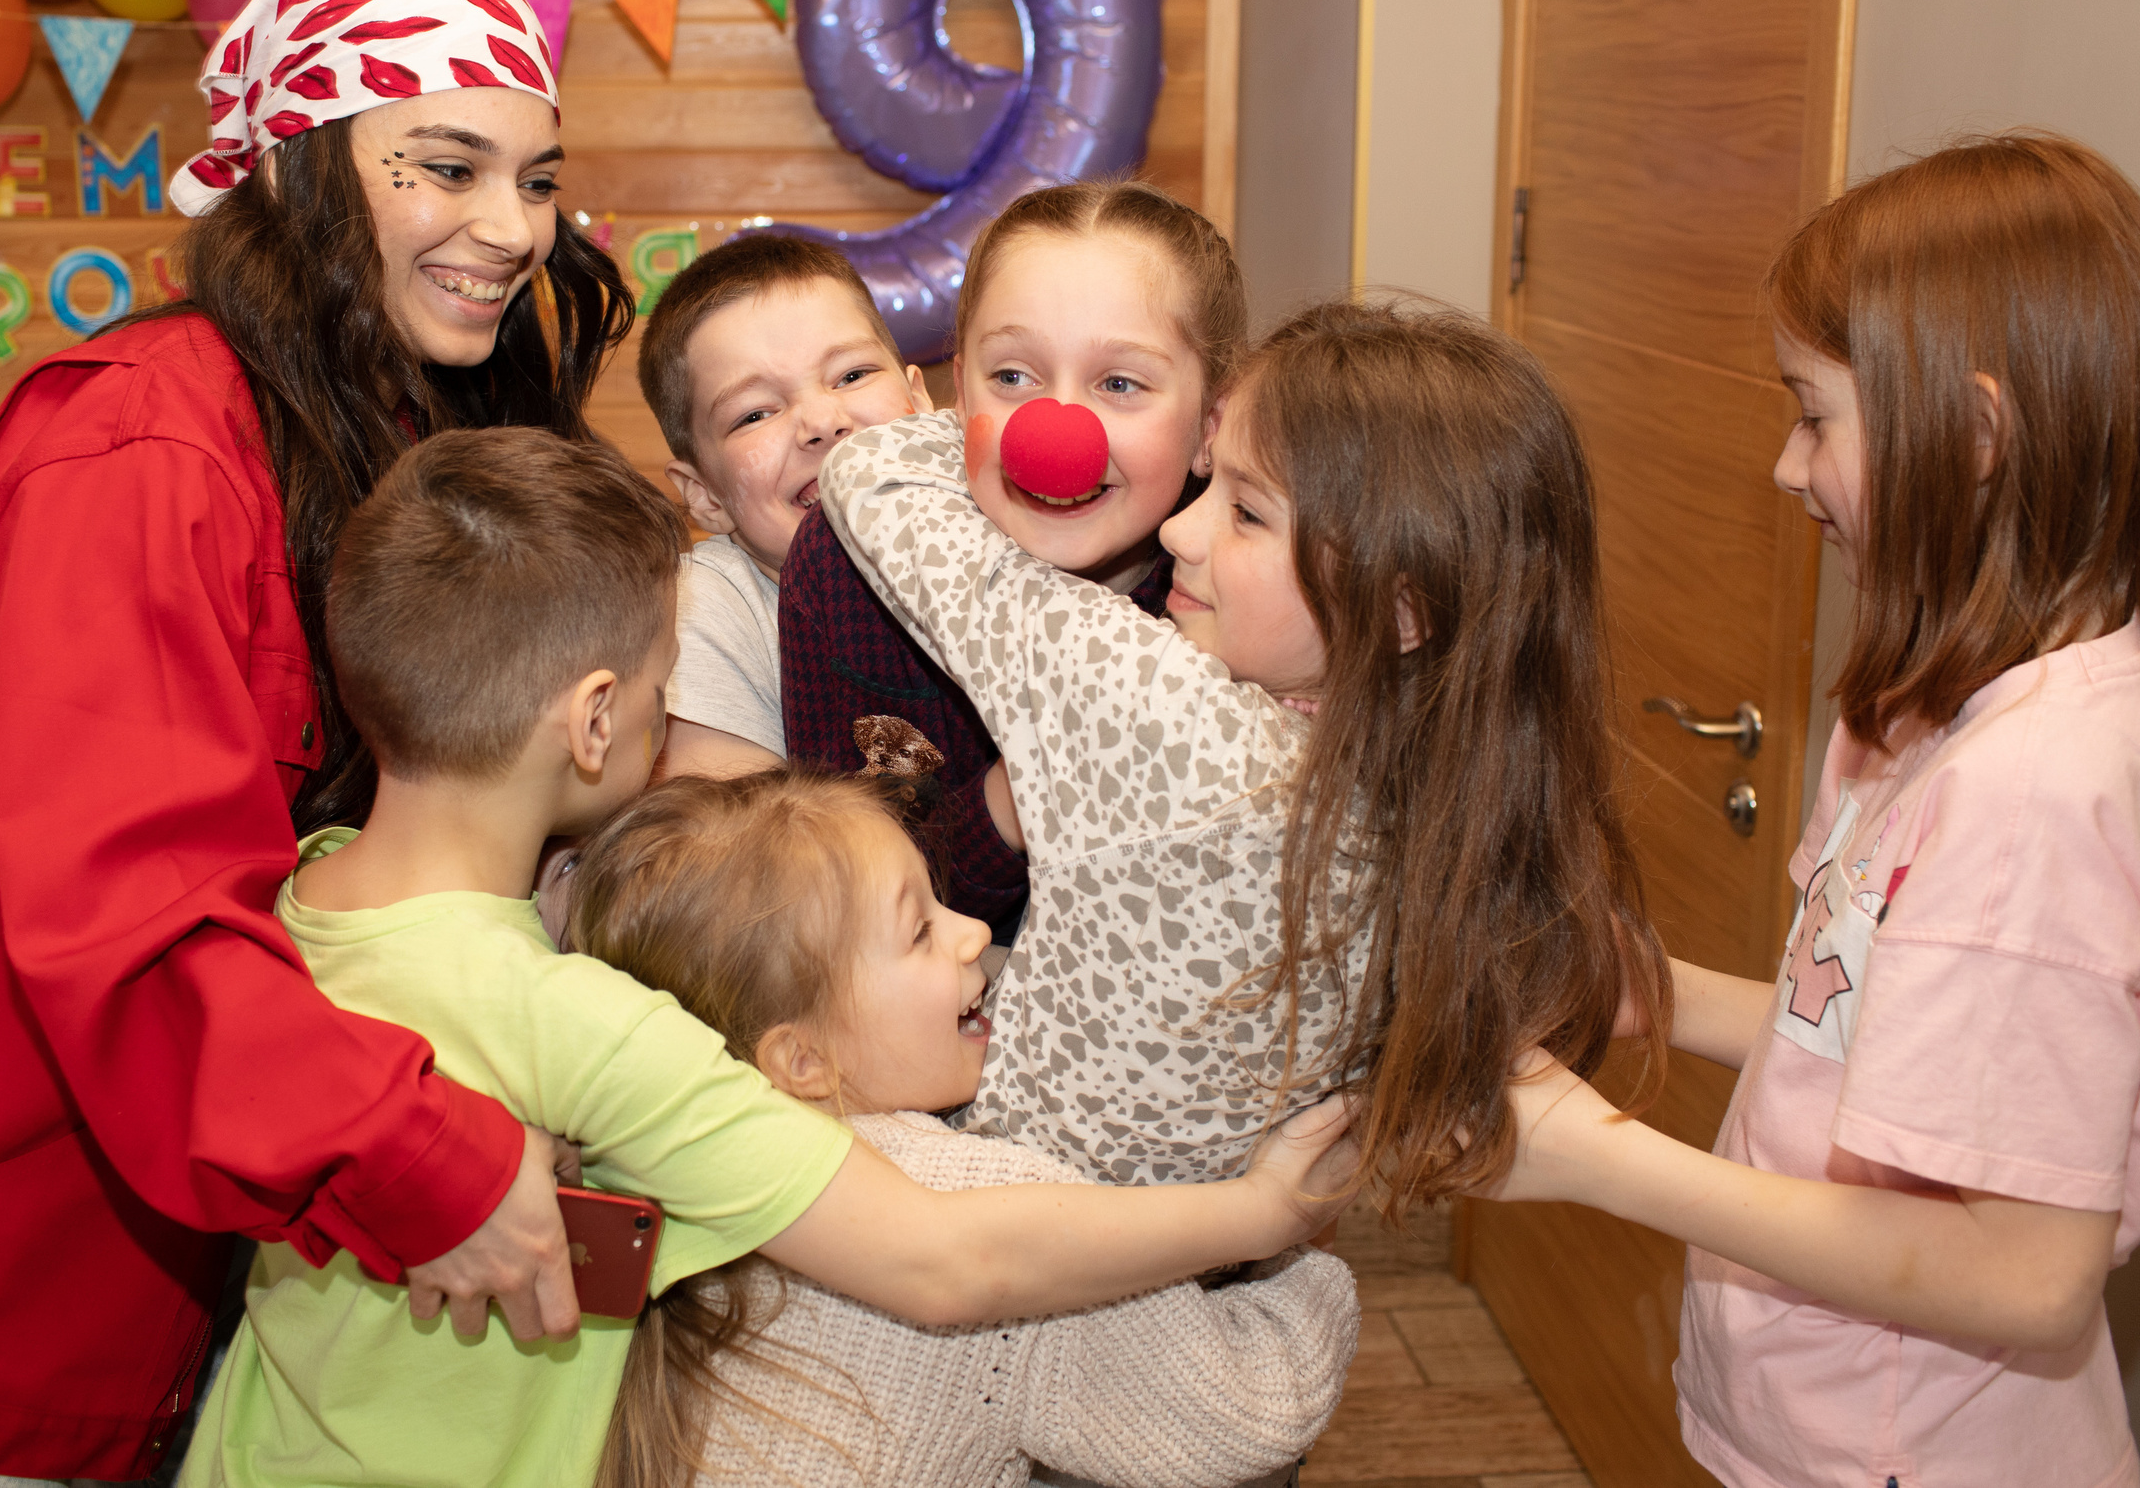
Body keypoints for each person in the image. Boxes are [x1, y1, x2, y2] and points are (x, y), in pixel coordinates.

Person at [0, 0, 630, 1485]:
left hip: (148, 1269)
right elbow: (135, 921)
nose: (515, 227)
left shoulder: (365, 418)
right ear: (307, 171)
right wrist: (417, 1156)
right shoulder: (139, 450)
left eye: (537, 179)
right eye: (448, 167)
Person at [184, 427, 1367, 1488]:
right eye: (662, 694)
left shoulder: (289, 904)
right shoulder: (581, 1026)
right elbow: (946, 1260)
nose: (666, 725)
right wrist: (1257, 1210)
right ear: (595, 721)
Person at [1487, 133, 2140, 1488]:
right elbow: (1844, 1027)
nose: (1786, 468)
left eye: (1814, 412)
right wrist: (1639, 988)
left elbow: (2026, 1272)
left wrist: (1602, 1160)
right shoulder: (1925, 712)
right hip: (1817, 1420)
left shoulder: (2034, 787)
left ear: (1971, 434)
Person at [817, 300, 1667, 1199]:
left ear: (1402, 610)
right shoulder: (1445, 794)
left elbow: (874, 476)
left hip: (1005, 1234)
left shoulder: (1167, 713)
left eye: (1247, 513)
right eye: (1207, 482)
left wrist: (1011, 395)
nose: (1180, 529)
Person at [571, 766, 1363, 1488]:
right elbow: (1248, 1409)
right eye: (919, 931)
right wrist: (1299, 1249)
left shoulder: (659, 1183)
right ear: (802, 1060)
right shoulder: (976, 1203)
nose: (973, 933)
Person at [776, 182, 1245, 940]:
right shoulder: (847, 567)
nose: (1054, 432)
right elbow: (853, 907)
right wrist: (1018, 796)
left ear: (1209, 424)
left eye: (1120, 383)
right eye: (1013, 377)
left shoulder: (1243, 591)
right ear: (960, 391)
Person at [632, 235, 931, 780]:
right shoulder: (702, 611)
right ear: (705, 496)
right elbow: (745, 856)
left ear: (924, 404)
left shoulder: (1013, 534)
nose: (823, 422)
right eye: (755, 414)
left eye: (853, 375)